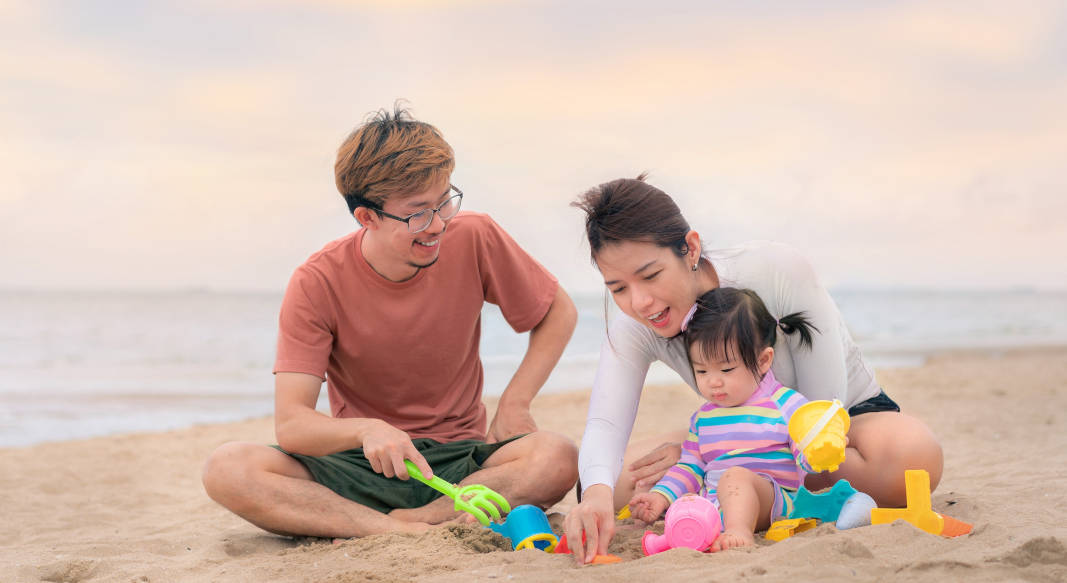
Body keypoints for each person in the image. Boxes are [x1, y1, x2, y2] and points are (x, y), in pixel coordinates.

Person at [201, 105, 579, 539]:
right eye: (417, 213)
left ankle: (410, 524)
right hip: (359, 464)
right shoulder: (316, 282)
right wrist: (367, 430)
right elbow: (292, 425)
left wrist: (515, 402)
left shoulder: (474, 235)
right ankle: (384, 528)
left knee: (557, 455)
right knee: (227, 468)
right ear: (367, 217)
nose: (437, 224)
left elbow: (557, 312)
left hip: (460, 462)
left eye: (444, 203)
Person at [564, 174, 942, 563]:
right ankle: (739, 492)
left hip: (838, 427)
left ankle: (736, 492)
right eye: (618, 288)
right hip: (732, 431)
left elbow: (823, 404)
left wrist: (722, 450)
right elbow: (605, 425)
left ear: (690, 248)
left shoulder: (776, 270)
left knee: (914, 454)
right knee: (614, 482)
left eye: (650, 275)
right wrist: (596, 496)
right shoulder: (634, 326)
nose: (640, 302)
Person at [629, 287, 820, 551]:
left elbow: (806, 453)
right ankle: (693, 530)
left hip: (773, 500)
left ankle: (739, 532)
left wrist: (816, 450)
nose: (714, 381)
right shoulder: (703, 418)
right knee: (686, 499)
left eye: (727, 368)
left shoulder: (786, 404)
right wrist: (661, 496)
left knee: (735, 478)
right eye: (702, 370)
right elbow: (690, 467)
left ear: (763, 361)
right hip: (717, 503)